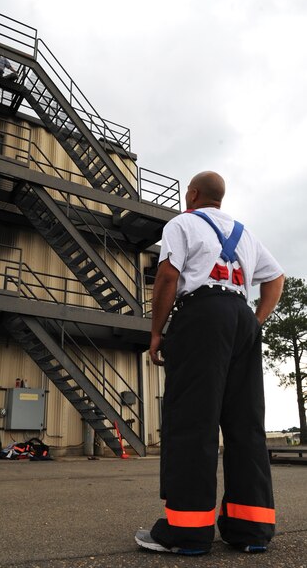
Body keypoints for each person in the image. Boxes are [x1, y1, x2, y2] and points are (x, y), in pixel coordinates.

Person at [135, 171, 284, 556]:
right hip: (241, 317)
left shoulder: (182, 223)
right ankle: (251, 528)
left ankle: (186, 531)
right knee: (245, 423)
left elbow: (167, 277)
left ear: (193, 193)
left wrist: (156, 333)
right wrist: (256, 320)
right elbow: (276, 277)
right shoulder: (246, 233)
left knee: (192, 420)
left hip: (201, 315)